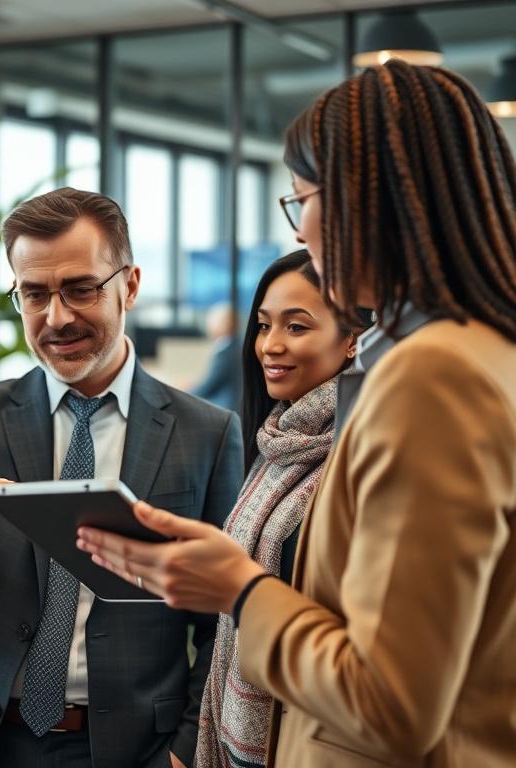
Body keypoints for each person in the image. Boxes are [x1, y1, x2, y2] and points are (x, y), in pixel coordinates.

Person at [77, 60, 516, 767]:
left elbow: (389, 703)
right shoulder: (489, 351)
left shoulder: (433, 375)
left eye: (300, 199)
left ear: (364, 202)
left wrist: (241, 589)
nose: (301, 229)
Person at [0, 187, 244, 768]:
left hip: (132, 748)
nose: (57, 317)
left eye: (80, 288)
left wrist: (185, 752)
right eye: (34, 294)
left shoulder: (208, 432)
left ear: (129, 284)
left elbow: (223, 623)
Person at [192, 250, 359, 768]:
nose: (271, 345)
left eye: (297, 325)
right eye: (264, 325)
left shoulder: (363, 453)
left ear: (353, 338)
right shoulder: (275, 446)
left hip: (318, 735)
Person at [190, 304, 241, 412]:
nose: (209, 325)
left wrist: (183, 395)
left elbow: (208, 387)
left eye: (212, 321)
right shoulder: (236, 345)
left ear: (225, 323)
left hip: (224, 408)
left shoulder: (227, 350)